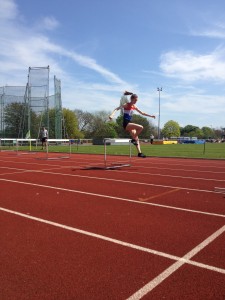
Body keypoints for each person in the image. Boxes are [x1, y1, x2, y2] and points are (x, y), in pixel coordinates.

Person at [109, 91, 155, 158]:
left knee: (137, 139)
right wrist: (112, 115)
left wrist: (151, 116)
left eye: (137, 100)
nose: (136, 101)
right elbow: (117, 108)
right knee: (141, 127)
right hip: (126, 124)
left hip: (130, 124)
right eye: (135, 100)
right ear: (132, 99)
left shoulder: (134, 107)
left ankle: (139, 153)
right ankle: (133, 139)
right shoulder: (127, 104)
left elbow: (142, 113)